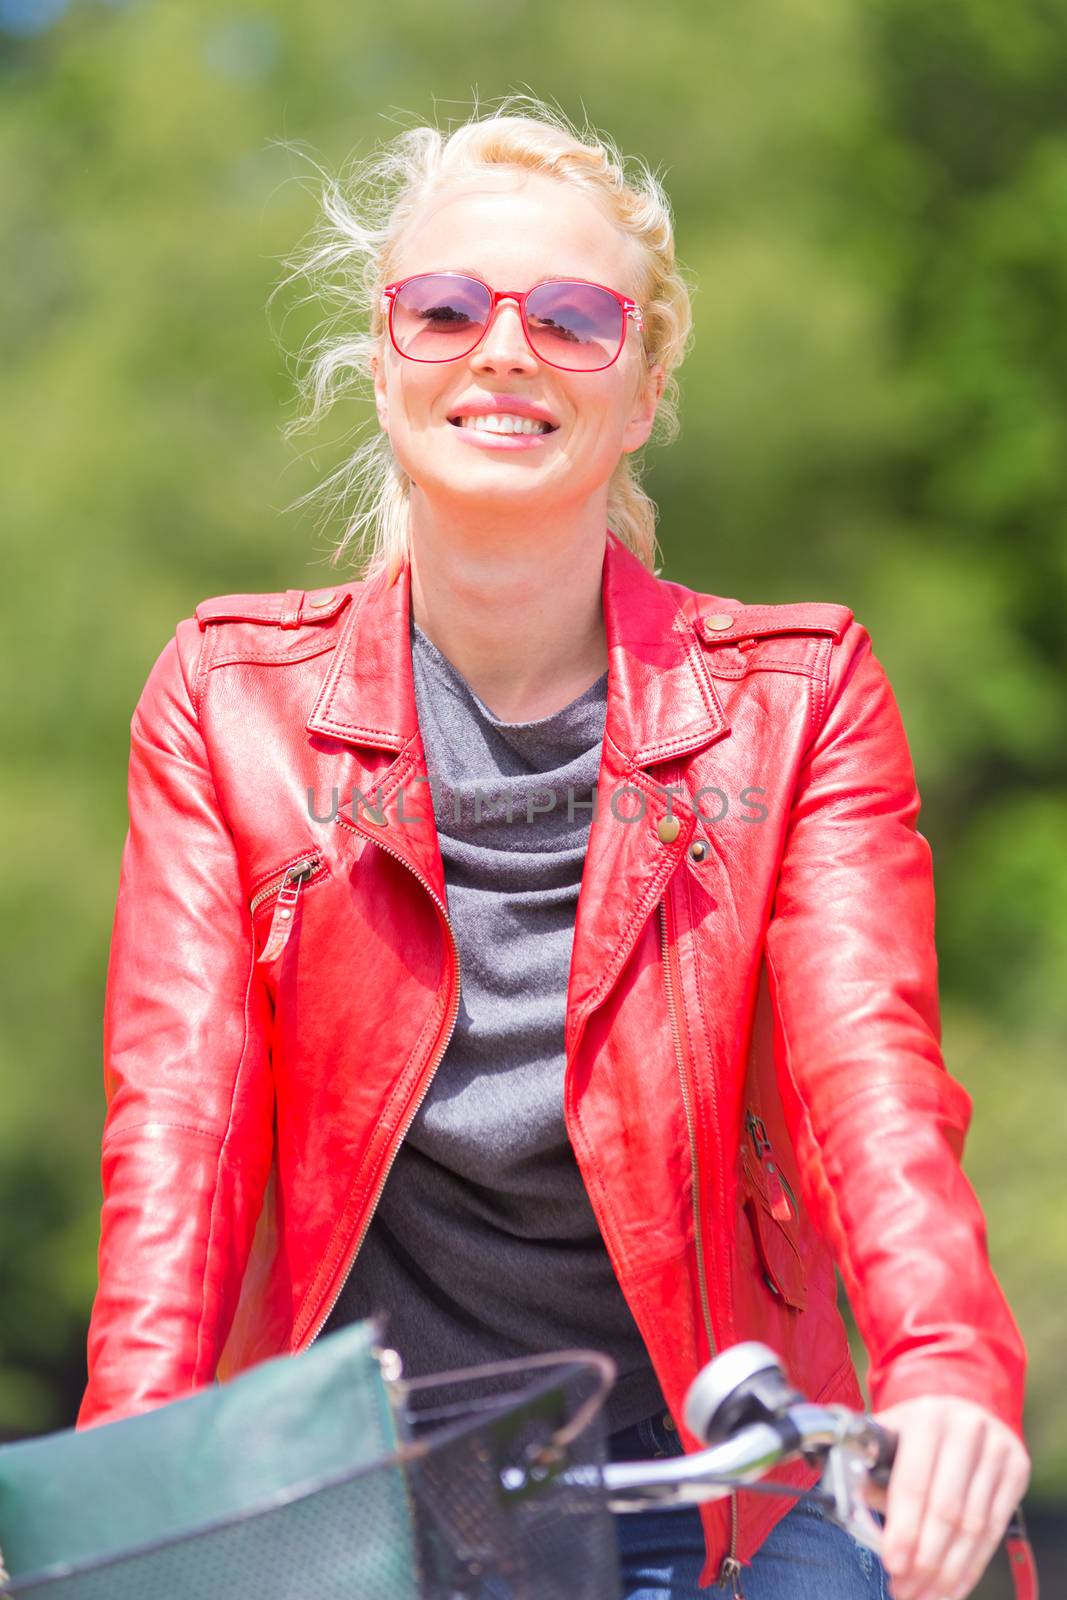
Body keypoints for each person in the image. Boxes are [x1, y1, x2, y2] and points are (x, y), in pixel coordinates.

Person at [78, 100, 1031, 1599]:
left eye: (575, 318)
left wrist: (946, 1368)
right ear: (388, 358)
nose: (505, 350)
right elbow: (177, 1143)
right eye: (447, 307)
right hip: (354, 1506)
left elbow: (875, 1087)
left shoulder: (799, 700)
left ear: (644, 388)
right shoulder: (225, 701)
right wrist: (130, 1499)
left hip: (713, 1486)